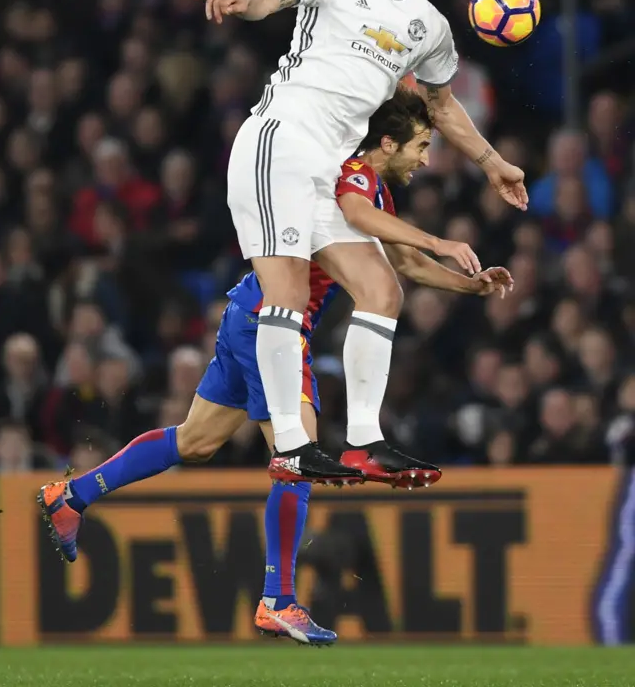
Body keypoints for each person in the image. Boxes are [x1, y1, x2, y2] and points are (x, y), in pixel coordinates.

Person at [38, 90, 513, 645]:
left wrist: (469, 286)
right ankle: (278, 599)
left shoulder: (373, 183)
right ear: (387, 142)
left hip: (249, 312)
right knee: (298, 453)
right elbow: (362, 217)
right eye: (421, 146)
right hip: (274, 326)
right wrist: (443, 241)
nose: (426, 159)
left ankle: (71, 496)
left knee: (195, 442)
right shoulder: (353, 172)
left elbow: (402, 260)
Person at [194, 0, 527, 484]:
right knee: (287, 291)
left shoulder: (429, 24)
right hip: (279, 140)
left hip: (327, 163)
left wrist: (492, 162)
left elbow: (441, 104)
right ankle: (292, 447)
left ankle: (363, 443)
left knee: (380, 288)